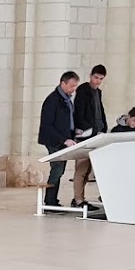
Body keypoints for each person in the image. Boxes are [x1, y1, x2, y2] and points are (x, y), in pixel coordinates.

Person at [39, 71, 80, 207]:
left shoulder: (66, 100)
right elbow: (48, 125)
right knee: (56, 169)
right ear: (63, 83)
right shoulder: (53, 100)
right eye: (71, 86)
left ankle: (53, 200)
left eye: (75, 86)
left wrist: (75, 132)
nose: (73, 89)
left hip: (64, 140)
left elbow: (68, 121)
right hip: (54, 141)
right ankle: (49, 201)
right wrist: (63, 139)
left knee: (59, 170)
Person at [71, 64, 108, 209]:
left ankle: (81, 198)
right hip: (85, 135)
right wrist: (88, 129)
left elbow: (100, 112)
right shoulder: (83, 91)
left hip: (96, 135)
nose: (97, 81)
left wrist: (103, 128)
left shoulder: (97, 92)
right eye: (96, 77)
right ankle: (78, 199)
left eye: (101, 79)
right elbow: (79, 113)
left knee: (88, 170)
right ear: (90, 76)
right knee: (81, 169)